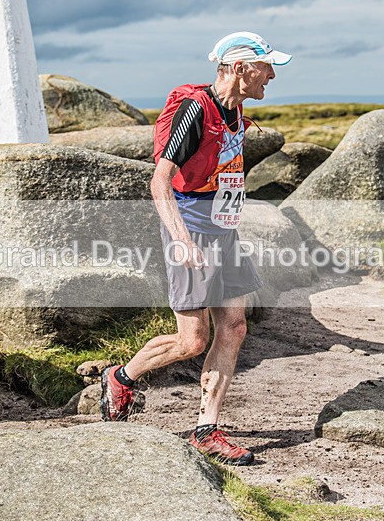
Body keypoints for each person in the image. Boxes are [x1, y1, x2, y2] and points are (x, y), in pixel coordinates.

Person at [100, 31, 292, 466]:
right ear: (240, 68)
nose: (273, 75)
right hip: (190, 232)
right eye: (266, 67)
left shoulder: (234, 109)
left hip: (222, 231)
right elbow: (160, 181)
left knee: (235, 326)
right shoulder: (196, 110)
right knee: (193, 340)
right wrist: (183, 242)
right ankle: (121, 376)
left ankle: (206, 428)